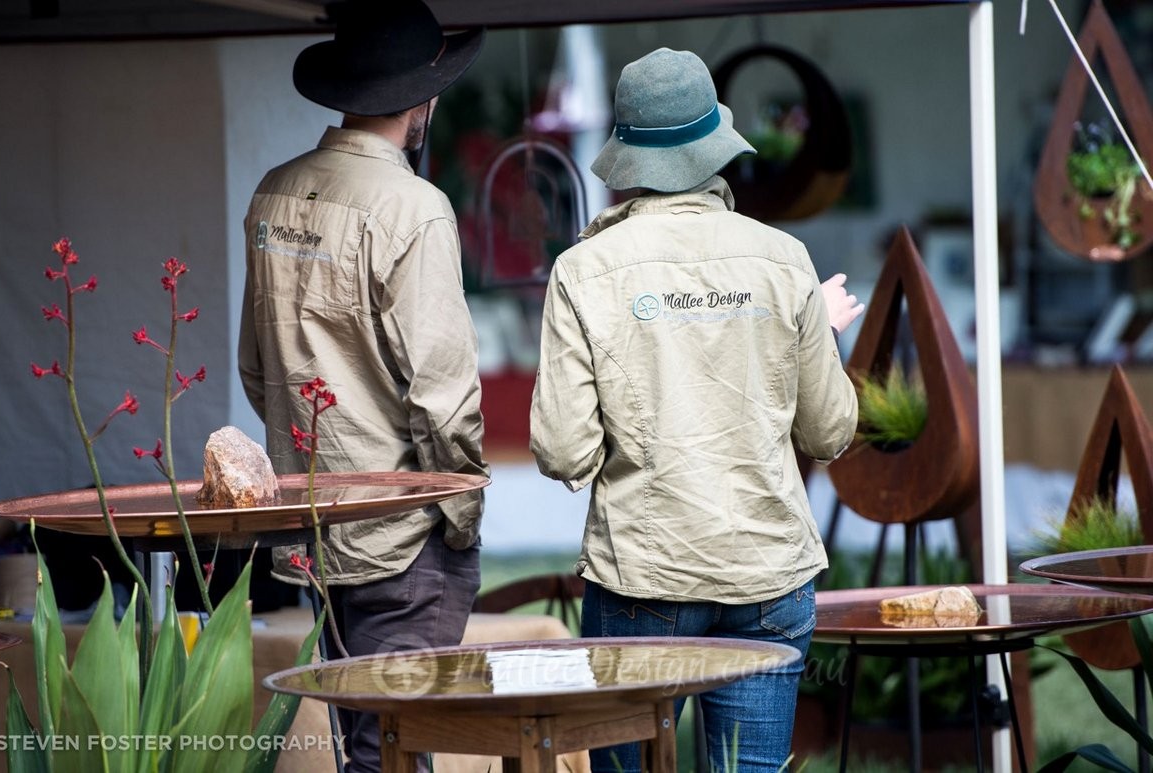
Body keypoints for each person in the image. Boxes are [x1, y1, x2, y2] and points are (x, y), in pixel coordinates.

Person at [529, 47, 861, 773]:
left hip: (643, 576)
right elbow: (830, 431)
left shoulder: (584, 270)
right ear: (715, 143)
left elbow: (563, 450)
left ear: (629, 157)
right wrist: (817, 336)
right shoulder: (784, 259)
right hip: (769, 571)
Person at [237, 2, 488, 770]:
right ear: (424, 98)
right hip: (402, 532)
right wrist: (460, 515)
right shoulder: (413, 208)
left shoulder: (274, 192)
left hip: (312, 525)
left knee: (363, 748)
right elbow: (444, 396)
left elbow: (257, 370)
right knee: (395, 750)